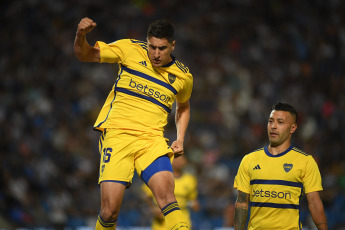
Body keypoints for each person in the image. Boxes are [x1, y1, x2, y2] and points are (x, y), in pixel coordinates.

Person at [74, 17, 193, 230]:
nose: (156, 54)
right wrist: (81, 35)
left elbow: (183, 107)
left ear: (172, 46)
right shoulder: (129, 48)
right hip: (118, 137)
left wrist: (180, 138)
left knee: (167, 197)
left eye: (162, 48)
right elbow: (85, 54)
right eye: (152, 47)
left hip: (152, 140)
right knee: (109, 211)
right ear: (147, 42)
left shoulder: (183, 76)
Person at [233, 102, 328, 230]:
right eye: (271, 121)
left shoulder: (305, 162)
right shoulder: (249, 160)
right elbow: (242, 202)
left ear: (293, 128)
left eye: (280, 122)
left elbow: (314, 203)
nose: (273, 126)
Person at [141, 155, 200, 230]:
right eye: (177, 158)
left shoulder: (190, 179)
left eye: (183, 159)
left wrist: (194, 204)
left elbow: (193, 200)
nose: (180, 161)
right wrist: (153, 208)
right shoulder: (159, 176)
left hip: (183, 219)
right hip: (162, 220)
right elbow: (145, 195)